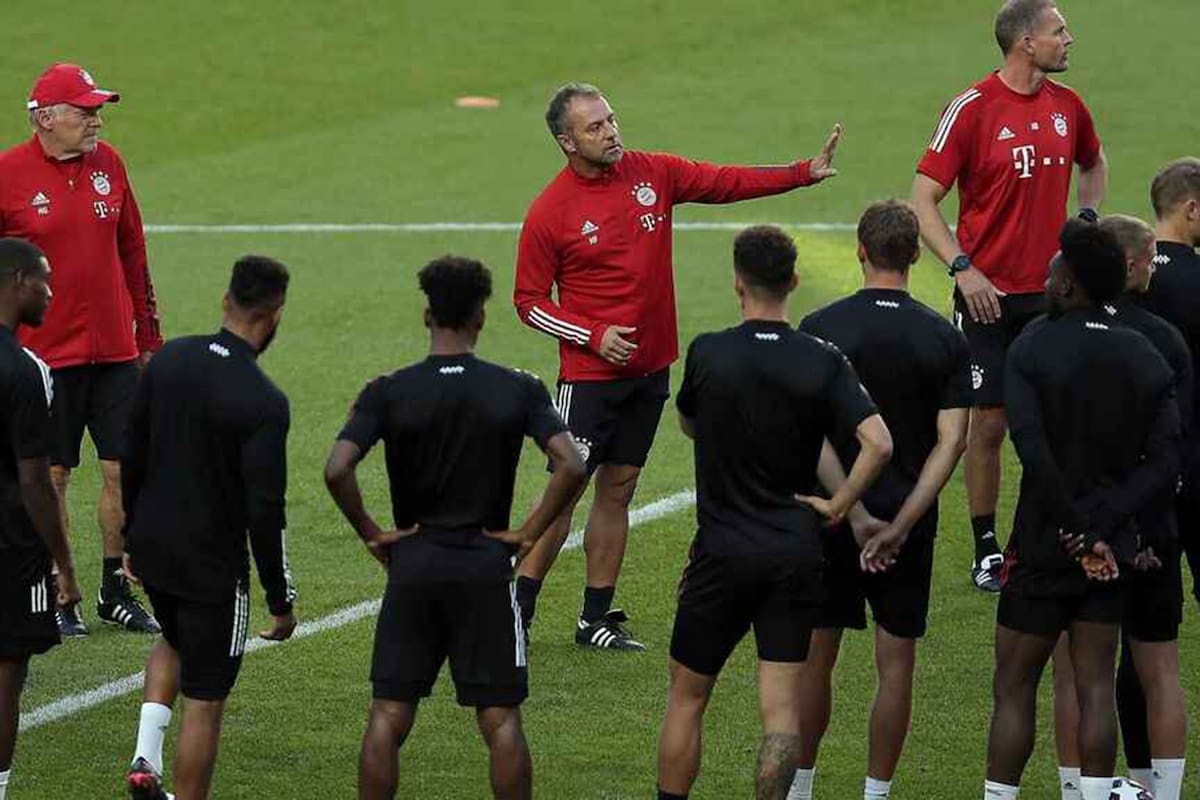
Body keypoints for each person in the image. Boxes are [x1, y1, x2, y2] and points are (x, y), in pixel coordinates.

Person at [513, 81, 843, 649]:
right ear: (567, 141)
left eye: (612, 120)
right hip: (589, 381)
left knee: (619, 490)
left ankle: (594, 618)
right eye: (595, 127)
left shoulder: (653, 172)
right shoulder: (550, 211)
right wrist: (593, 335)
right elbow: (528, 302)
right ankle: (517, 611)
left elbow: (723, 181)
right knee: (563, 493)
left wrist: (801, 172)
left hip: (650, 372)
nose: (611, 132)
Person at [324, 255, 586, 800]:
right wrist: (528, 533)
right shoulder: (518, 388)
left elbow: (337, 468)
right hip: (485, 566)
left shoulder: (388, 390)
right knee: (501, 719)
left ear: (428, 315)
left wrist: (372, 532)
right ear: (480, 318)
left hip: (414, 564)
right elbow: (571, 464)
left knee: (388, 715)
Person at [655, 226, 893, 800]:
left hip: (720, 552)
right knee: (781, 711)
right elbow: (879, 443)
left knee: (687, 697)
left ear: (738, 283)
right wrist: (840, 503)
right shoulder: (821, 359)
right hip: (793, 552)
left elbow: (688, 422)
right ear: (794, 280)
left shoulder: (709, 352)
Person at [911, 0, 1107, 593]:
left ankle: (1049, 534)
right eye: (1059, 31)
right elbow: (923, 199)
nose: (1069, 39)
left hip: (1054, 297)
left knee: (1059, 419)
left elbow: (1093, 163)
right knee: (990, 425)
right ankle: (986, 547)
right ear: (1026, 42)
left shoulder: (1068, 106)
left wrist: (1086, 220)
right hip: (988, 299)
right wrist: (963, 269)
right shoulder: (972, 108)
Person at [982, 222, 1181, 800]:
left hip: (1044, 540)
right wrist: (1102, 527)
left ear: (1069, 285)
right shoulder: (1144, 352)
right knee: (1096, 687)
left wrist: (1074, 526)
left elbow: (1032, 448)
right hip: (1109, 548)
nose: (1046, 278)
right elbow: (1164, 459)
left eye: (1053, 271)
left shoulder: (1032, 345)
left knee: (1014, 686)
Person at [789, 201, 971, 800]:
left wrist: (852, 509)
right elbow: (953, 441)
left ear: (860, 250)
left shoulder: (821, 325)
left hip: (831, 518)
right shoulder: (944, 335)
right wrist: (900, 523)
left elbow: (810, 432)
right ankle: (876, 794)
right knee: (896, 665)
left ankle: (801, 789)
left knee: (816, 656)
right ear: (916, 254)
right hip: (907, 523)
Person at [122, 256, 297, 800]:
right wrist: (279, 600)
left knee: (174, 635)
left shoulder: (170, 360)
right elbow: (265, 510)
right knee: (205, 699)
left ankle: (145, 757)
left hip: (153, 547)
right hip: (212, 566)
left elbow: (132, 451)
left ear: (226, 301)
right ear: (274, 317)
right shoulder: (264, 401)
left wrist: (130, 535)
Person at [0, 62, 163, 636]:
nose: (96, 120)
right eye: (85, 110)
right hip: (45, 357)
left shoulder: (109, 164)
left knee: (124, 468)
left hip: (115, 351)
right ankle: (58, 590)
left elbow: (133, 251)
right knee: (54, 475)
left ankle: (114, 588)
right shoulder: (8, 175)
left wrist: (147, 335)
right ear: (45, 117)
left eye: (98, 110)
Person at [1047, 215, 1190, 800]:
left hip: (1074, 527)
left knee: (1074, 673)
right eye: (1151, 258)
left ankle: (1076, 791)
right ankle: (1164, 793)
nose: (1156, 269)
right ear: (1128, 264)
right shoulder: (1164, 338)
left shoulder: (1055, 335)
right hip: (1151, 522)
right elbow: (1175, 439)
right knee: (1160, 670)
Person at [0, 238, 81, 800]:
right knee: (7, 669)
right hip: (9, 546)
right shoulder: (27, 372)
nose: (51, 292)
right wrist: (64, 565)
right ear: (17, 282)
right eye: (44, 279)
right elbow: (35, 482)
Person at [1138, 156, 1200, 601]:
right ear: (1191, 209)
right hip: (1194, 453)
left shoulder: (1118, 281)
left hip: (1133, 465)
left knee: (1146, 604)